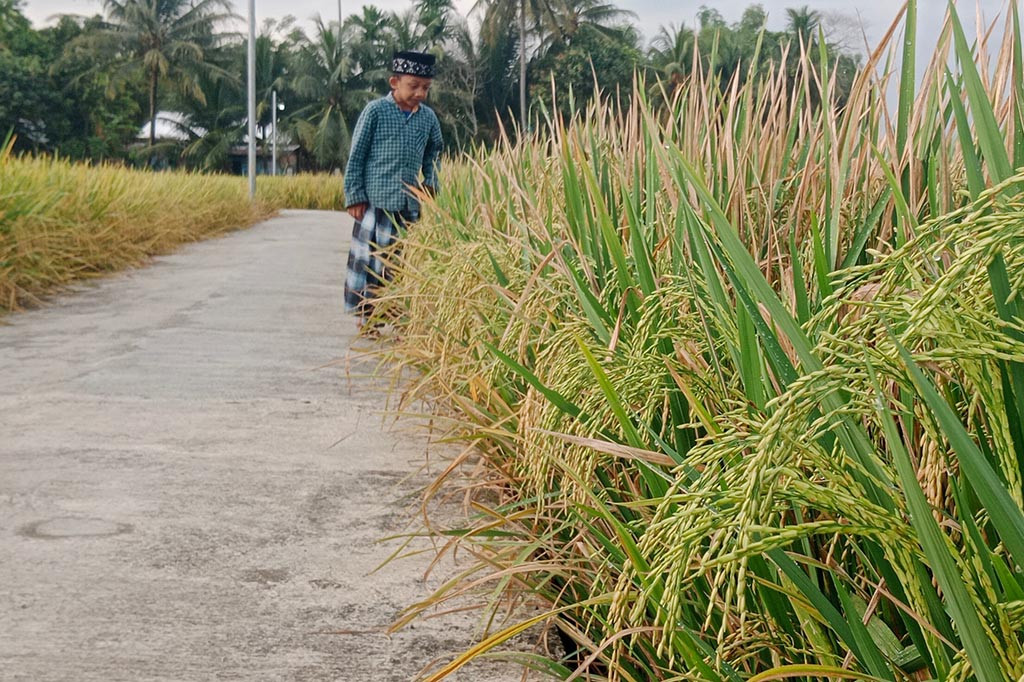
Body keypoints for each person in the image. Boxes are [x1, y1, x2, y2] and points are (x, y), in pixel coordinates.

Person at [343, 50, 444, 330]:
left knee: (402, 265)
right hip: (375, 204)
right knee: (369, 263)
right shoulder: (375, 111)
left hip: (409, 206)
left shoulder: (428, 119)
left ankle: (401, 321)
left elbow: (434, 154)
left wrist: (431, 182)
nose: (420, 93)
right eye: (414, 86)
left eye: (425, 88)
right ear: (394, 82)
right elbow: (357, 156)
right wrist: (354, 196)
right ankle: (368, 319)